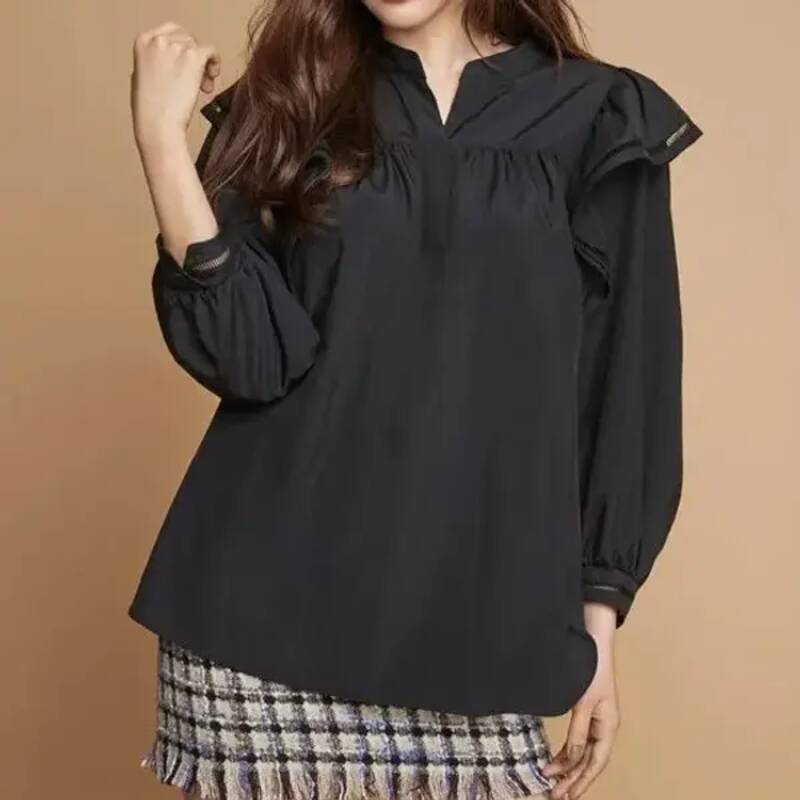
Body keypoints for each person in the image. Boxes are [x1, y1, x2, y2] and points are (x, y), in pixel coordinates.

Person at [128, 1, 702, 799]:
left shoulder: (597, 114)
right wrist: (161, 141)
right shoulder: (291, 95)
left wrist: (597, 620)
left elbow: (625, 377)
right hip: (261, 632)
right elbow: (251, 360)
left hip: (483, 639)